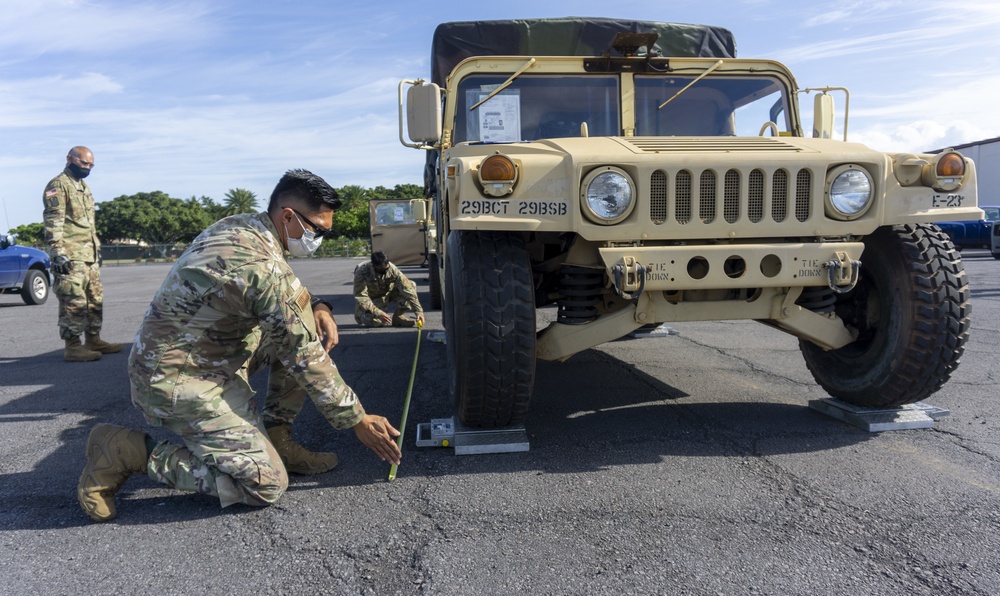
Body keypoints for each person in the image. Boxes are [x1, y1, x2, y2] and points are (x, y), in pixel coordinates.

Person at [77, 169, 402, 523]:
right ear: (288, 216)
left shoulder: (244, 227)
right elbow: (301, 350)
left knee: (304, 323)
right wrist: (357, 419)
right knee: (263, 484)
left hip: (201, 355)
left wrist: (318, 305)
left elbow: (282, 297)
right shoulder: (260, 262)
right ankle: (128, 452)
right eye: (318, 231)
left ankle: (277, 439)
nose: (321, 238)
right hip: (178, 380)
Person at [42, 146, 122, 362]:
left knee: (94, 299)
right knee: (73, 300)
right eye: (84, 163)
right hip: (70, 256)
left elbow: (88, 224)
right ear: (70, 158)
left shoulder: (83, 186)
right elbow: (54, 220)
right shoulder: (59, 185)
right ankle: (73, 346)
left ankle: (94, 339)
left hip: (89, 255)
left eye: (91, 165)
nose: (87, 168)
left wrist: (96, 249)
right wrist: (58, 252)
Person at [353, 251, 425, 328]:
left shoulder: (392, 269)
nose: (385, 271)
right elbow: (361, 296)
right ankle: (361, 315)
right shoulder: (362, 272)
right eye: (382, 270)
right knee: (377, 322)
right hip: (373, 300)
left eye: (386, 268)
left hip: (389, 294)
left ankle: (398, 317)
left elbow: (408, 289)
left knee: (411, 285)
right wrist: (379, 313)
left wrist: (419, 312)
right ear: (373, 266)